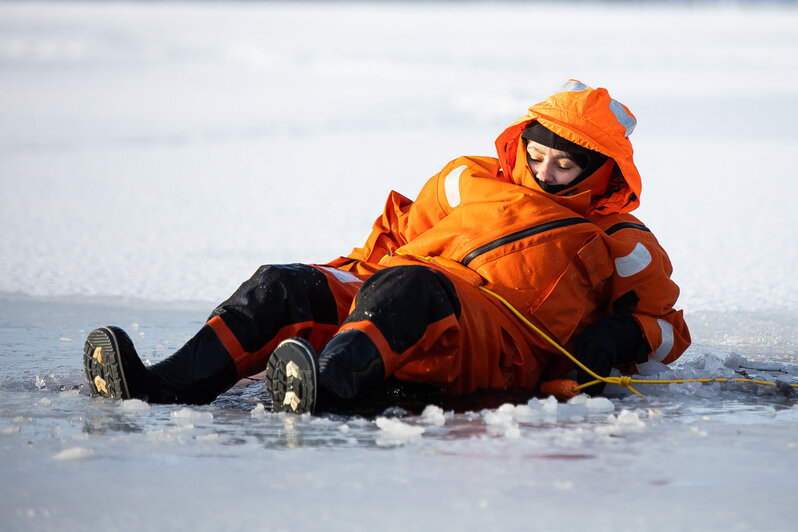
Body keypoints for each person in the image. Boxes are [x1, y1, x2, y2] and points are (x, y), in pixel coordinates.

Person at [83, 80, 691, 414]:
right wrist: (331, 287)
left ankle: (327, 387)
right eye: (536, 156)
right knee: (285, 283)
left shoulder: (621, 240)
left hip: (495, 340)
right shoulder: (464, 178)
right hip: (398, 290)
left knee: (412, 288)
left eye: (564, 166)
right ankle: (162, 385)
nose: (545, 172)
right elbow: (392, 246)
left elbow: (667, 327)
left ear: (600, 173)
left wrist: (621, 338)